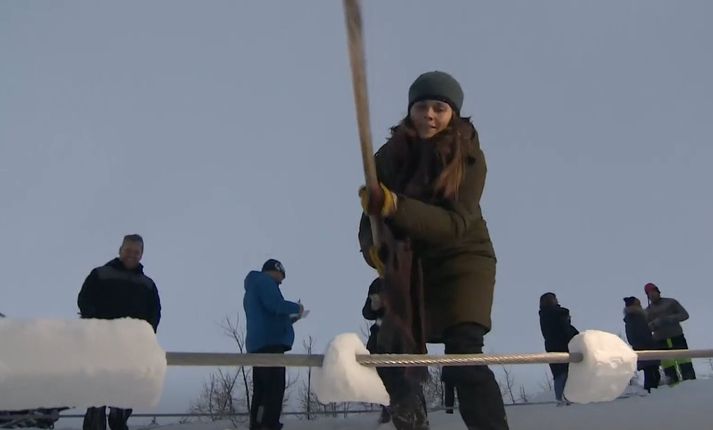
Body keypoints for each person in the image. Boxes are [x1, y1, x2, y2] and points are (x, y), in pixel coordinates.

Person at [358, 71, 508, 430]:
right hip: (412, 262)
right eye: (421, 106)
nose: (429, 114)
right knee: (388, 349)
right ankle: (412, 420)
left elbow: (454, 223)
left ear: (452, 113)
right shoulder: (388, 157)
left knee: (464, 355)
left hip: (462, 259)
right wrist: (372, 249)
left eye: (439, 108)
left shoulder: (469, 155)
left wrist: (395, 206)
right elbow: (369, 217)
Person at [77, 234, 161, 430]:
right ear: (120, 250)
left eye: (136, 251)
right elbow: (84, 299)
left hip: (131, 350)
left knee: (122, 405)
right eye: (128, 250)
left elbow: (155, 314)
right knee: (96, 405)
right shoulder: (100, 274)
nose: (131, 254)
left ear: (141, 254)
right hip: (100, 346)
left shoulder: (148, 285)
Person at [244, 259, 305, 430]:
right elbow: (275, 305)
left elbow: (267, 316)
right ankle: (267, 425)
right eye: (281, 276)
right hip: (270, 345)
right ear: (275, 270)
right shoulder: (264, 282)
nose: (281, 281)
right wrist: (297, 308)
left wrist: (289, 320)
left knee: (262, 390)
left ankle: (258, 424)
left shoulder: (253, 287)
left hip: (259, 345)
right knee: (273, 390)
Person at [644, 282, 696, 383]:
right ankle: (673, 392)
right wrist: (654, 324)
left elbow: (685, 315)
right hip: (660, 342)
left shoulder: (671, 302)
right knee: (669, 369)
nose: (652, 295)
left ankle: (691, 387)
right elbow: (646, 329)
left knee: (685, 364)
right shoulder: (647, 311)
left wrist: (669, 319)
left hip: (677, 338)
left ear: (658, 291)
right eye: (649, 294)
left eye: (654, 292)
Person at [538, 292, 578, 406]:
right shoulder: (557, 314)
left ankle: (560, 398)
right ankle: (566, 398)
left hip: (552, 347)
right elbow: (565, 330)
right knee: (565, 373)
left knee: (559, 374)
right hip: (563, 346)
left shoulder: (544, 315)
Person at [361, 278, 392, 424]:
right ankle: (387, 413)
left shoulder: (410, 274)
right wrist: (374, 305)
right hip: (379, 337)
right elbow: (366, 312)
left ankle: (418, 417)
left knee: (408, 377)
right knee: (379, 376)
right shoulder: (378, 283)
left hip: (404, 336)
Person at [623, 296, 661, 392]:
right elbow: (640, 334)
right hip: (646, 348)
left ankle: (651, 393)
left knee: (651, 373)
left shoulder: (633, 317)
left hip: (643, 348)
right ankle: (651, 394)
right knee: (652, 374)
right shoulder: (636, 317)